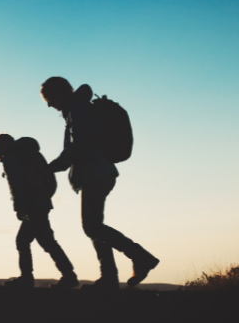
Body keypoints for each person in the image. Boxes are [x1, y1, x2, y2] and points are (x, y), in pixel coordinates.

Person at [40, 77, 159, 290]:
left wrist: (52, 167)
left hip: (96, 172)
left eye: (49, 98)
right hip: (96, 172)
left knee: (92, 226)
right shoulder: (76, 109)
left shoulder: (78, 108)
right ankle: (109, 278)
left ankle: (140, 257)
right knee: (93, 226)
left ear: (60, 93)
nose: (48, 104)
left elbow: (80, 145)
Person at [0, 133, 78, 289]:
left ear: (1, 146)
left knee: (46, 242)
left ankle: (68, 276)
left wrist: (20, 207)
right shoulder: (30, 152)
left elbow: (17, 183)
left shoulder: (12, 156)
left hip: (32, 205)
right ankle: (28, 278)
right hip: (41, 202)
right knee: (24, 241)